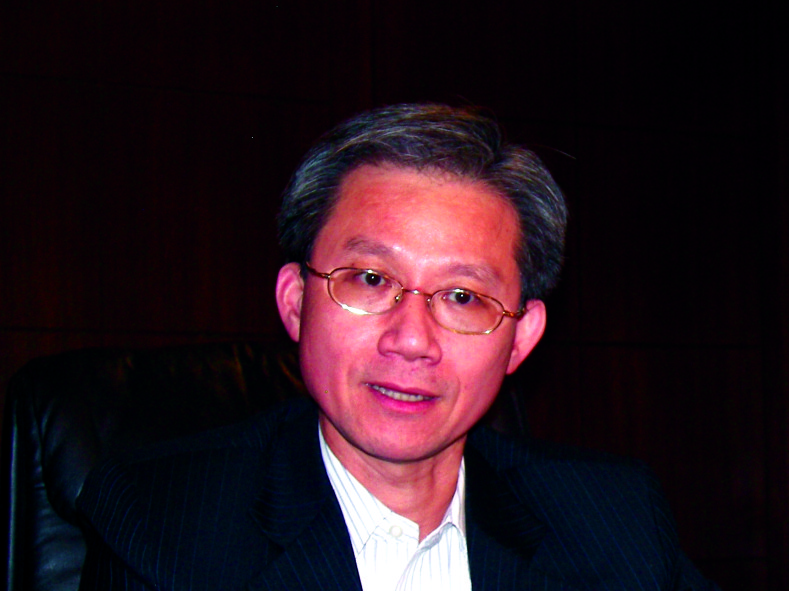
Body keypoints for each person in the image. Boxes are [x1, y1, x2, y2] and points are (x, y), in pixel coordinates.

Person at [76, 104, 719, 590]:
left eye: (462, 296)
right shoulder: (162, 521)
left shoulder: (615, 519)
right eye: (371, 280)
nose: (411, 340)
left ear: (520, 338)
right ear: (296, 303)